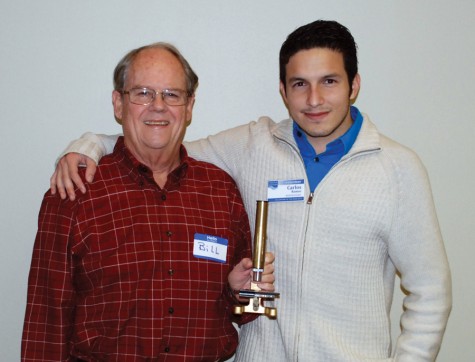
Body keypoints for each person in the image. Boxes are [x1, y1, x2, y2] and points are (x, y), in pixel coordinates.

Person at [50, 20, 452, 361]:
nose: (314, 100)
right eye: (299, 84)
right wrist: (88, 145)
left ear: (354, 85)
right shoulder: (252, 146)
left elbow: (430, 292)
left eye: (328, 81)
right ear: (283, 90)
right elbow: (160, 140)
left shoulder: (397, 168)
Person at [22, 42, 276, 361]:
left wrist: (238, 289)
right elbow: (46, 323)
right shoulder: (75, 192)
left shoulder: (220, 191)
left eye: (172, 94)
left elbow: (243, 308)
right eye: (143, 93)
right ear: (118, 103)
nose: (158, 106)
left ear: (189, 106)